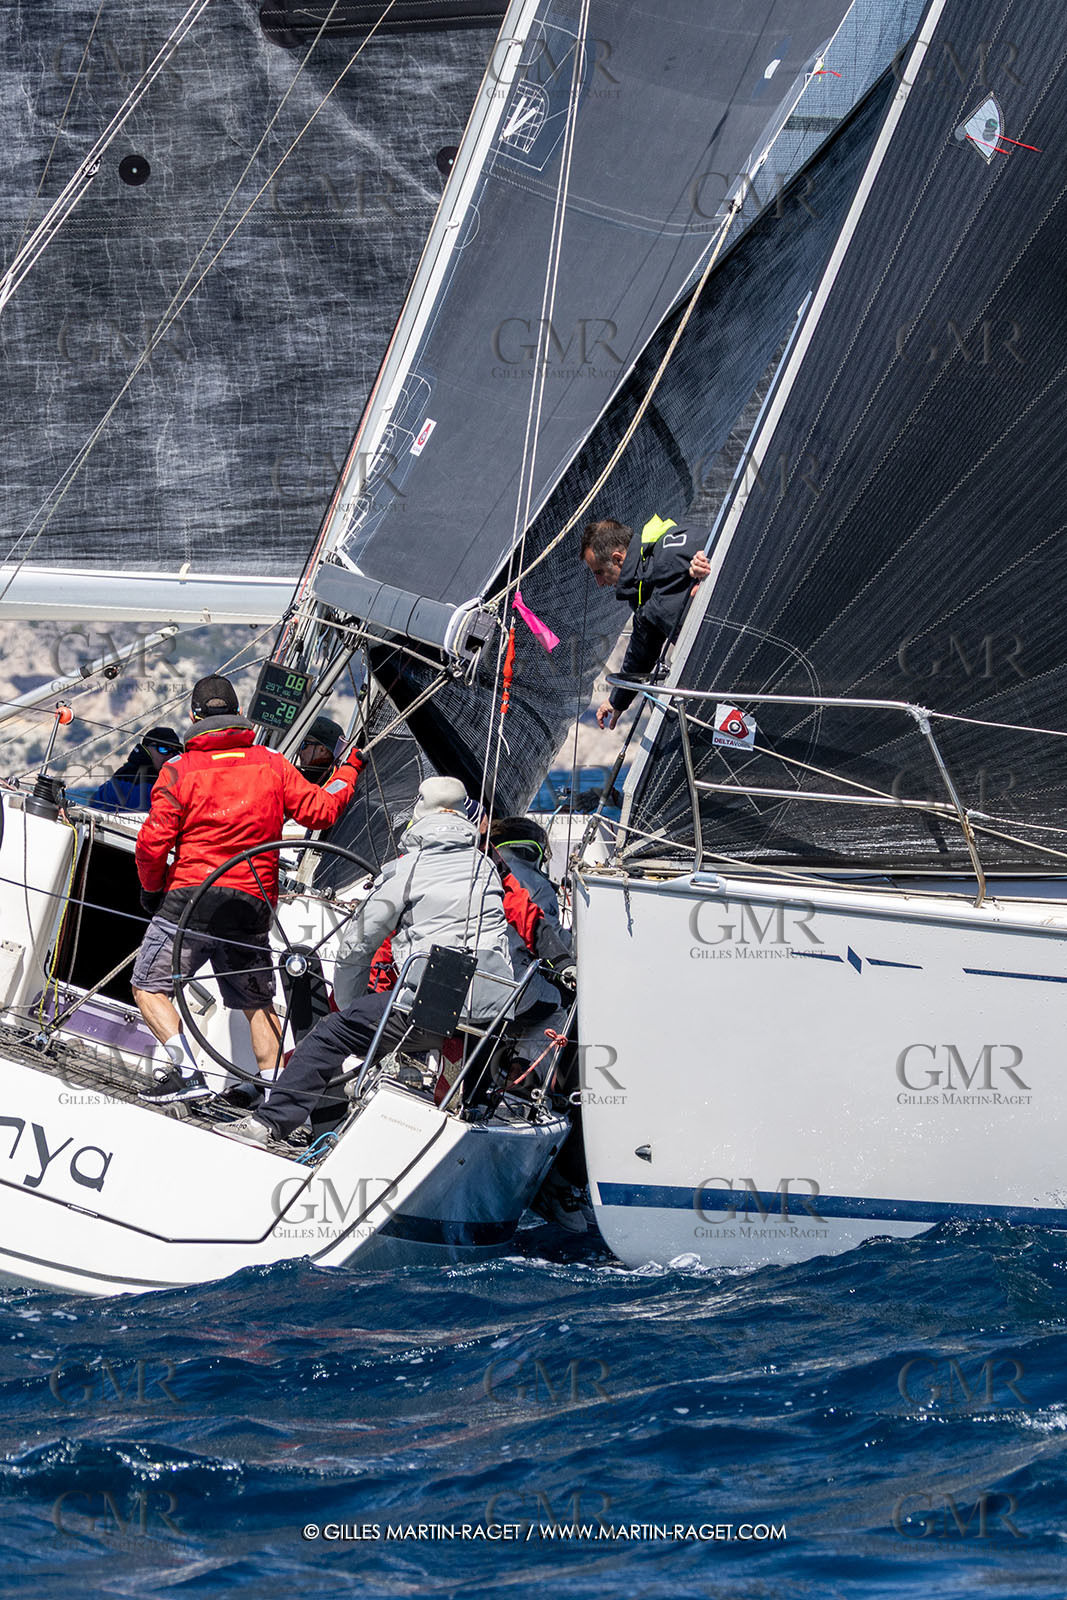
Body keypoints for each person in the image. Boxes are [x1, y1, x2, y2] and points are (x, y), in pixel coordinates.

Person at [227, 777, 531, 1144]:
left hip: (432, 1004)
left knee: (331, 1034)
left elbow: (357, 944)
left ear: (419, 814)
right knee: (414, 1025)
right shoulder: (485, 866)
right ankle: (462, 1111)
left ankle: (268, 1124)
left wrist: (349, 1007)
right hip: (494, 1007)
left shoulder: (408, 869)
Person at [132, 674, 363, 1103]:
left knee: (149, 986)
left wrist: (151, 889)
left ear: (194, 716)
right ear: (237, 712)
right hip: (253, 903)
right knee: (256, 1004)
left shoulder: (179, 770)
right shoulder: (272, 764)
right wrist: (350, 767)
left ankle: (186, 1074)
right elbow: (322, 810)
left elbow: (152, 843)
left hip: (191, 900)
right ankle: (272, 1097)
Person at [581, 515, 712, 729]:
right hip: (717, 666)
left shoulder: (673, 547)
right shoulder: (642, 596)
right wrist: (616, 701)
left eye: (599, 573)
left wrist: (708, 560)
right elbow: (641, 653)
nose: (599, 583)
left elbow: (732, 540)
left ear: (617, 559)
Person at [87, 726, 183, 812]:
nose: (171, 755)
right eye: (164, 749)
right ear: (147, 749)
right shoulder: (119, 781)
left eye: (175, 751)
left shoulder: (177, 783)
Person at [296, 715, 345, 785]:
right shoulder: (333, 779)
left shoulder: (306, 781)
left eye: (304, 745)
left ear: (322, 750)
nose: (298, 752)